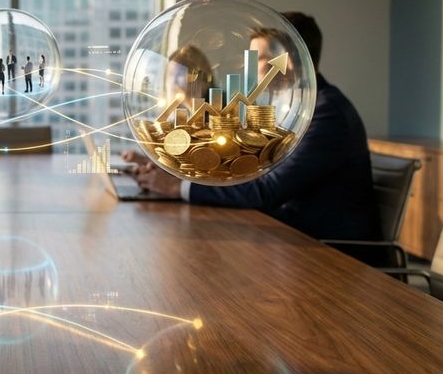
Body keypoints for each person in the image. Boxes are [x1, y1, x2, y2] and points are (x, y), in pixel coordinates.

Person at [126, 12, 380, 242]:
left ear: (290, 60)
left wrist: (176, 187)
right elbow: (244, 168)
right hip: (289, 236)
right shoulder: (290, 108)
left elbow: (267, 189)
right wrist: (171, 170)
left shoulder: (327, 113)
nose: (254, 69)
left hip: (331, 253)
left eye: (261, 58)